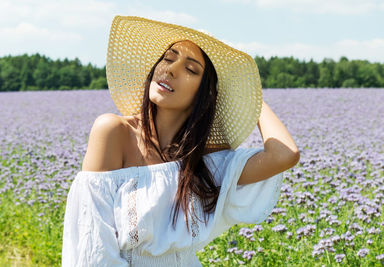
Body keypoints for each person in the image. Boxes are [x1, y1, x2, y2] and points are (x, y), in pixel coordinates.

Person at [62, 16, 300, 266]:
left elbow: (284, 155)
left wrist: (247, 95)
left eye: (190, 69)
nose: (171, 69)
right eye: (168, 57)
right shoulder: (114, 131)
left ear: (206, 94)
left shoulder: (204, 163)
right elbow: (93, 250)